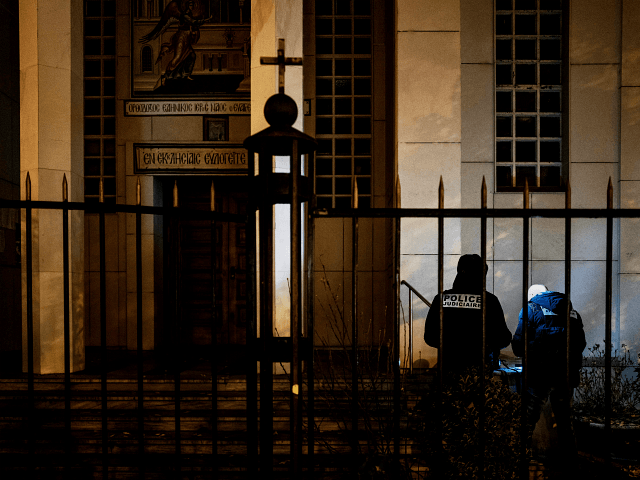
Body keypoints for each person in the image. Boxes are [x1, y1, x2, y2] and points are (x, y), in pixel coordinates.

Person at [512, 284, 587, 457]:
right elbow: (580, 344)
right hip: (565, 375)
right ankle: (570, 462)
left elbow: (518, 346)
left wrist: (536, 350)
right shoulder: (572, 311)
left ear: (532, 296)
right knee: (565, 421)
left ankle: (520, 460)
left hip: (539, 375)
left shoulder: (530, 309)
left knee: (528, 419)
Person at [424, 254, 512, 373]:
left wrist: (451, 345)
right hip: (481, 371)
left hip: (450, 369)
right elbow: (503, 338)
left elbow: (430, 336)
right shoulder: (489, 300)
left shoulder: (442, 299)